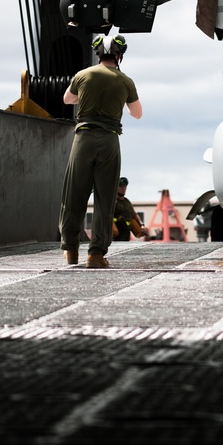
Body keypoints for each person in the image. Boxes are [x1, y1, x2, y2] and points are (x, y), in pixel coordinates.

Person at [59, 34, 143, 269]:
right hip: (109, 141)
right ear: (119, 55)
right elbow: (137, 113)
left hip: (83, 139)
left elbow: (67, 99)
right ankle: (96, 254)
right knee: (105, 199)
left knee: (74, 196)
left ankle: (71, 250)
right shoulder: (126, 81)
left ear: (98, 54)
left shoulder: (83, 75)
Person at [112, 176, 146, 242]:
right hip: (114, 231)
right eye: (121, 186)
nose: (123, 188)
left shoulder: (127, 202)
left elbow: (134, 215)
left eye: (125, 186)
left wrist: (141, 225)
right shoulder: (112, 201)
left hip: (126, 231)